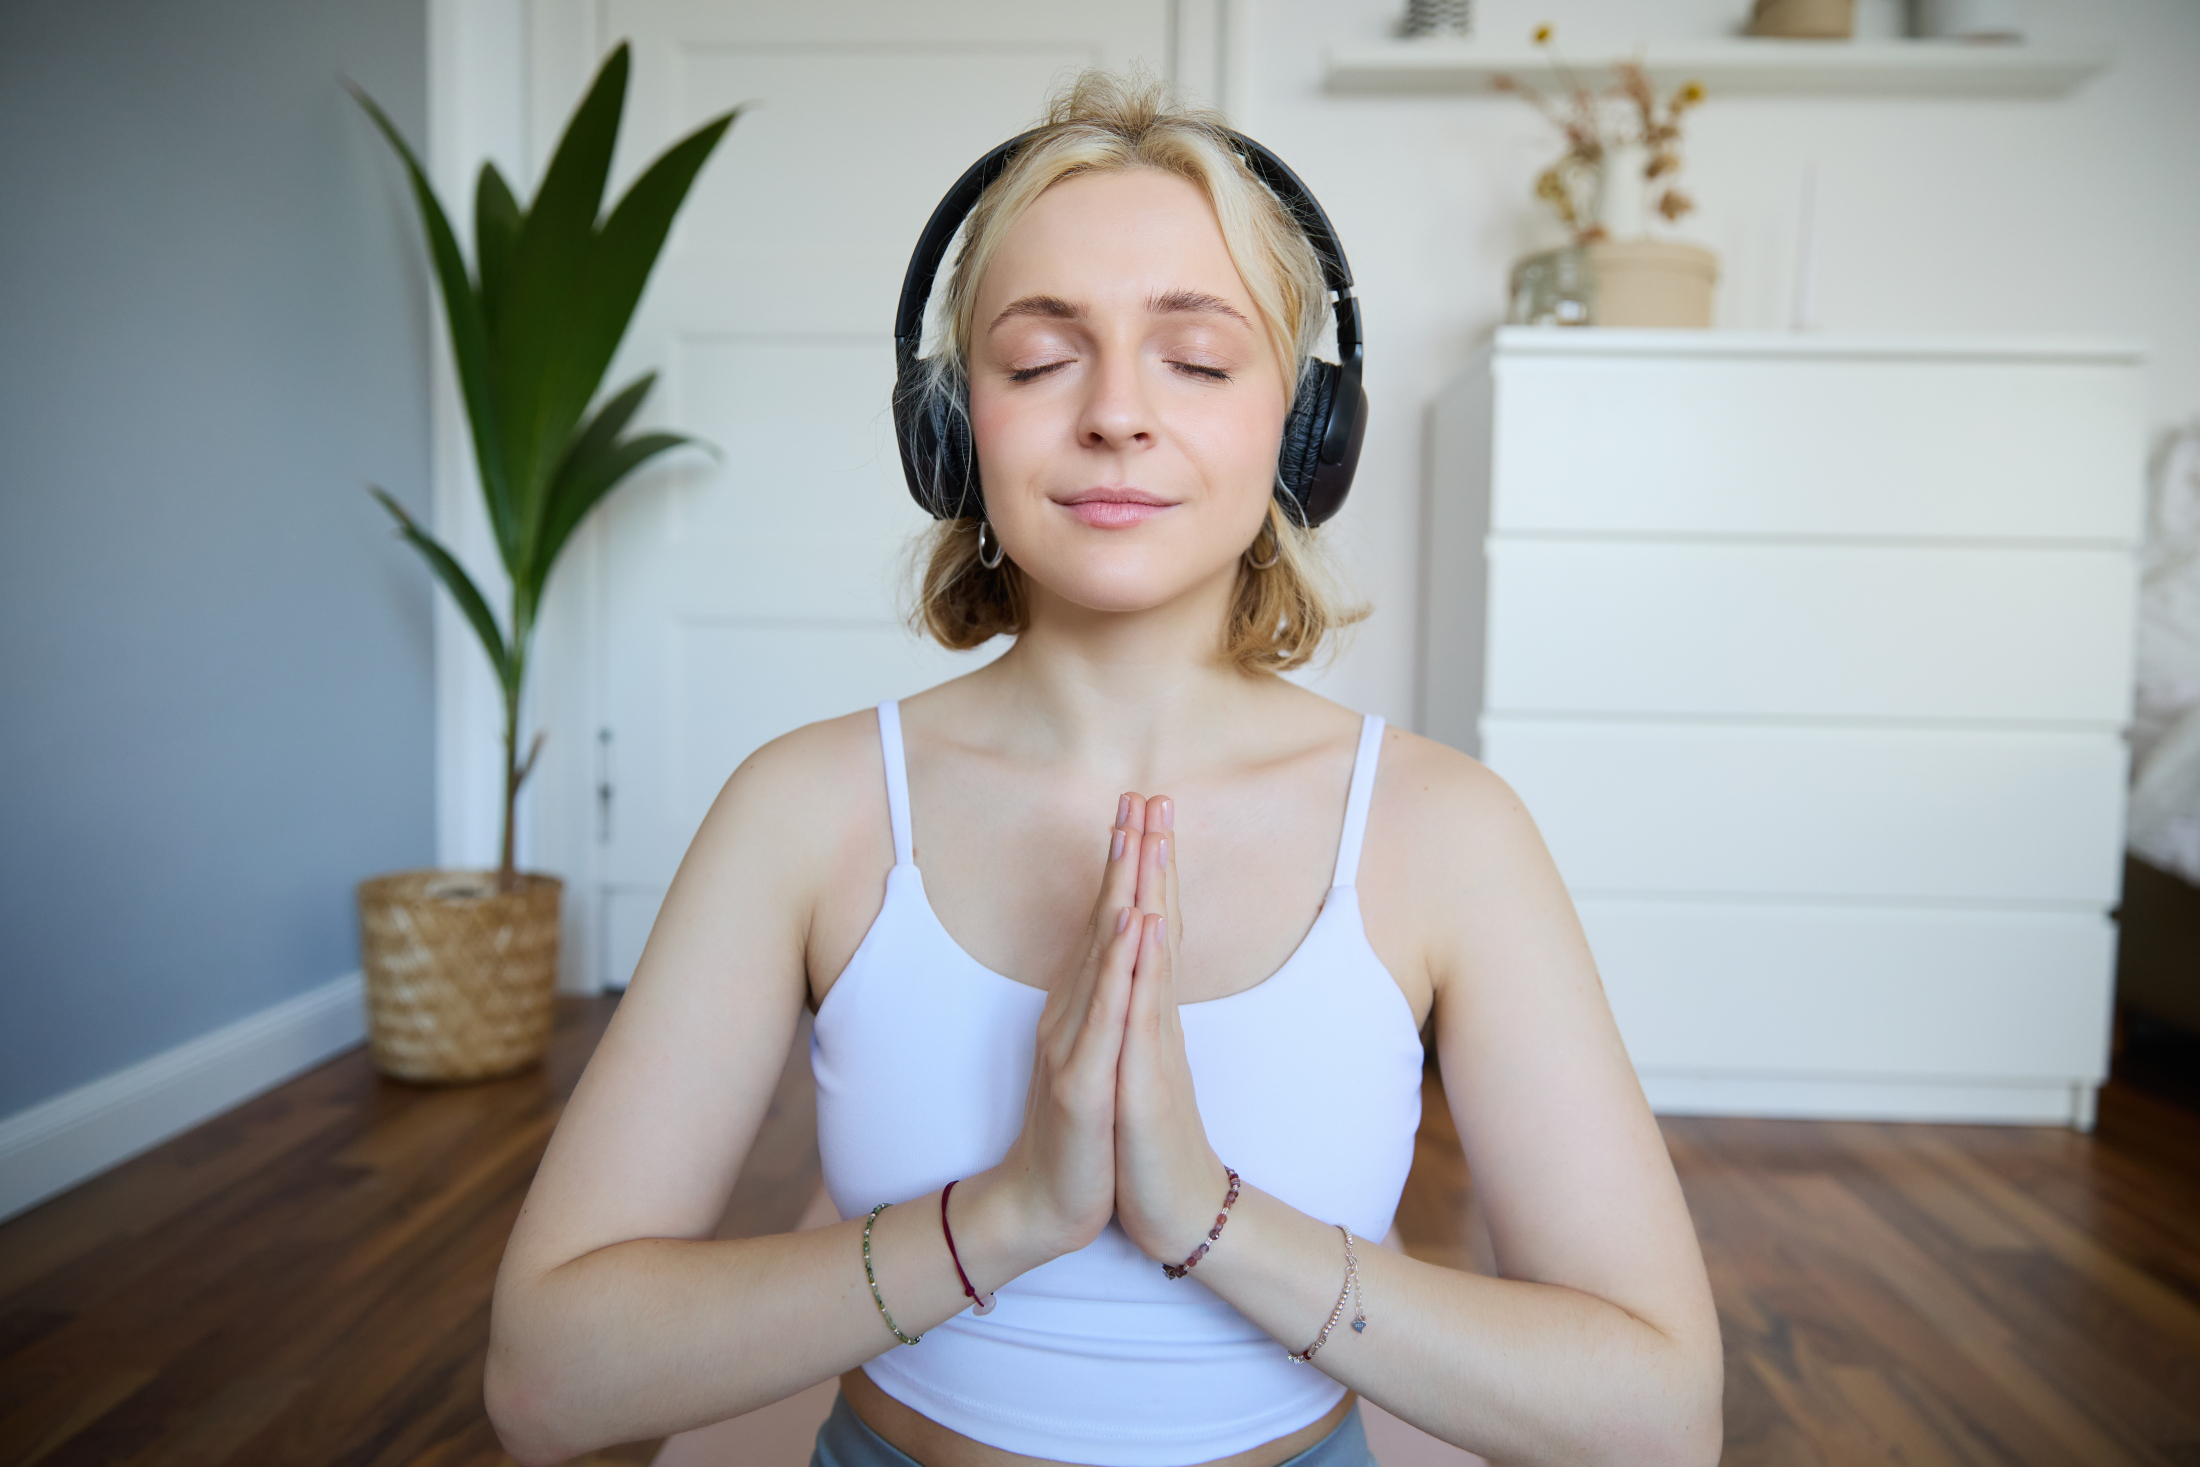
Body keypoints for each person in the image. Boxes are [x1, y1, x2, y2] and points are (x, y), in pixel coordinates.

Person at [483, 70, 1722, 1467]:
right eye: (1037, 359)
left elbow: (1658, 1421)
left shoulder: (1450, 836)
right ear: (951, 434)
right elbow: (546, 1383)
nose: (1119, 413)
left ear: (1302, 436)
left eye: (1196, 358)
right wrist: (1004, 1215)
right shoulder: (802, 811)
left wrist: (1204, 1214)